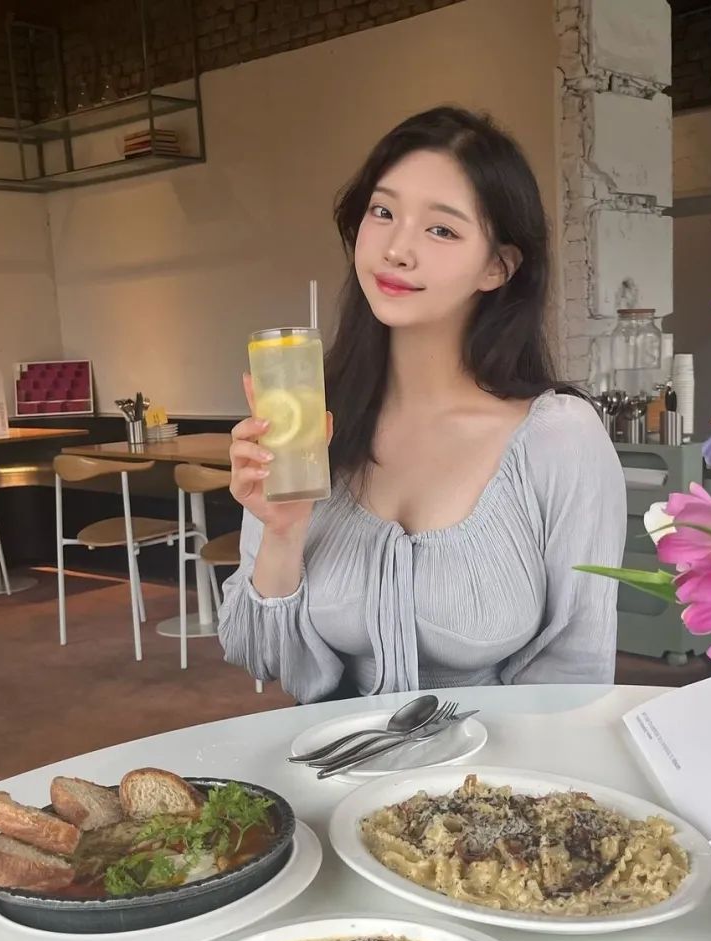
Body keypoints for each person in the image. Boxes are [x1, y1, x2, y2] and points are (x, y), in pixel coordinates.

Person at [219, 106, 627, 703]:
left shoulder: (559, 437)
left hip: (501, 760)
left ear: (498, 267)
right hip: (337, 757)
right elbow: (258, 657)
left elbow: (576, 673)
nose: (396, 250)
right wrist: (282, 533)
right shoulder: (309, 423)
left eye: (441, 230)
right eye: (383, 212)